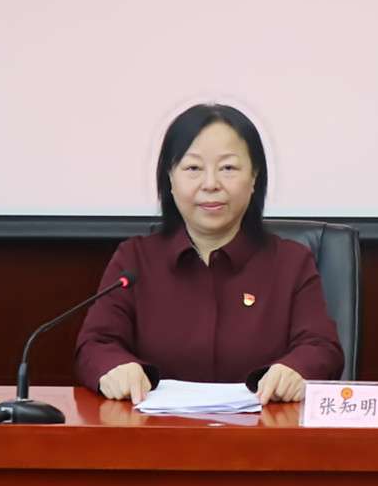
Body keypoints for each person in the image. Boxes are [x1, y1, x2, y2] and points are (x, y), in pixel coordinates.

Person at [75, 103, 343, 405]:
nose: (211, 184)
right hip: (155, 431)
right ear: (170, 179)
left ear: (254, 176)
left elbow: (322, 348)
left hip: (265, 431)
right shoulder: (135, 260)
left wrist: (296, 370)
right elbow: (95, 344)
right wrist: (114, 366)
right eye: (193, 168)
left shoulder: (291, 262)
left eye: (228, 168)